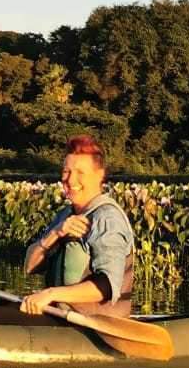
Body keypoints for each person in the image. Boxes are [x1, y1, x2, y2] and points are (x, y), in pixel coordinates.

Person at [18, 134, 135, 319]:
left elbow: (106, 286)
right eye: (66, 171)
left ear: (100, 176)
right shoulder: (64, 215)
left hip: (97, 329)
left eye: (80, 173)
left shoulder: (107, 218)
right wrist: (56, 233)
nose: (71, 180)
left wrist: (50, 294)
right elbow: (29, 268)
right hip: (60, 320)